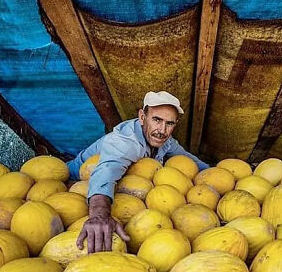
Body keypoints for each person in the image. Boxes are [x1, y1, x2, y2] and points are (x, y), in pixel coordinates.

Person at [67, 91, 209, 253]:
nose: (162, 130)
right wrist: (99, 215)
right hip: (74, 178)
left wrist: (215, 174)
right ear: (142, 117)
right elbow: (105, 173)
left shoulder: (165, 140)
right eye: (157, 120)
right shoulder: (126, 142)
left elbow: (192, 161)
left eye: (169, 123)